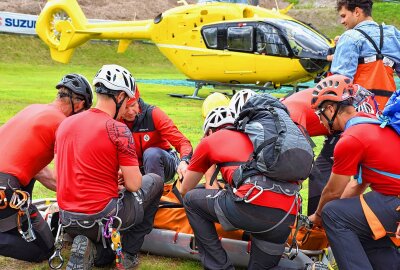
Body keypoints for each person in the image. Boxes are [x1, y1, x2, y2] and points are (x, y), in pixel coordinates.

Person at [55, 64, 163, 269]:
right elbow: (134, 184)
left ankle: (90, 246)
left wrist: (113, 175)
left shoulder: (65, 124)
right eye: (127, 102)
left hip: (67, 218)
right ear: (120, 96)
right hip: (101, 218)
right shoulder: (118, 129)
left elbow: (70, 171)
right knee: (155, 181)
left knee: (103, 258)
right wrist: (124, 178)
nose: (125, 110)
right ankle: (129, 253)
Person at [179, 106, 299, 269]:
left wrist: (208, 167)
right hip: (287, 214)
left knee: (192, 201)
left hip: (252, 204)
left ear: (209, 132)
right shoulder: (260, 139)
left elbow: (185, 190)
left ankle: (220, 266)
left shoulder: (210, 141)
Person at [309, 75, 400, 269]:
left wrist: (318, 216)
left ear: (331, 109)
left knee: (333, 213)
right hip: (392, 200)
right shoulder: (370, 122)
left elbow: (333, 192)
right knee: (359, 226)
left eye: (319, 115)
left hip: (394, 201)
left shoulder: (351, 139)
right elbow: (358, 184)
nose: (321, 122)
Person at [0, 74, 93, 262]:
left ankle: (14, 224)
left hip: (6, 184)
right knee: (45, 250)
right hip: (5, 188)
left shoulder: (32, 109)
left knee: (30, 175)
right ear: (79, 103)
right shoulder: (62, 123)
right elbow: (61, 180)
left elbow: (39, 171)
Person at [331, 0, 400, 110]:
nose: (342, 21)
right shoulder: (394, 35)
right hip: (389, 113)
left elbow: (340, 82)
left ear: (357, 12)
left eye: (344, 16)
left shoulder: (350, 37)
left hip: (361, 112)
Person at [282, 89, 340, 215]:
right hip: (337, 122)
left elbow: (301, 157)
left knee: (318, 172)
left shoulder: (290, 115)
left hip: (344, 124)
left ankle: (317, 221)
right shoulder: (283, 110)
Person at [121, 87, 193, 182]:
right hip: (133, 168)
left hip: (161, 163)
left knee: (151, 154)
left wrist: (184, 161)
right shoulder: (113, 119)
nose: (130, 111)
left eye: (133, 105)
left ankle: (155, 193)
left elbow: (182, 142)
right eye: (125, 107)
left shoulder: (154, 114)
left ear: (138, 100)